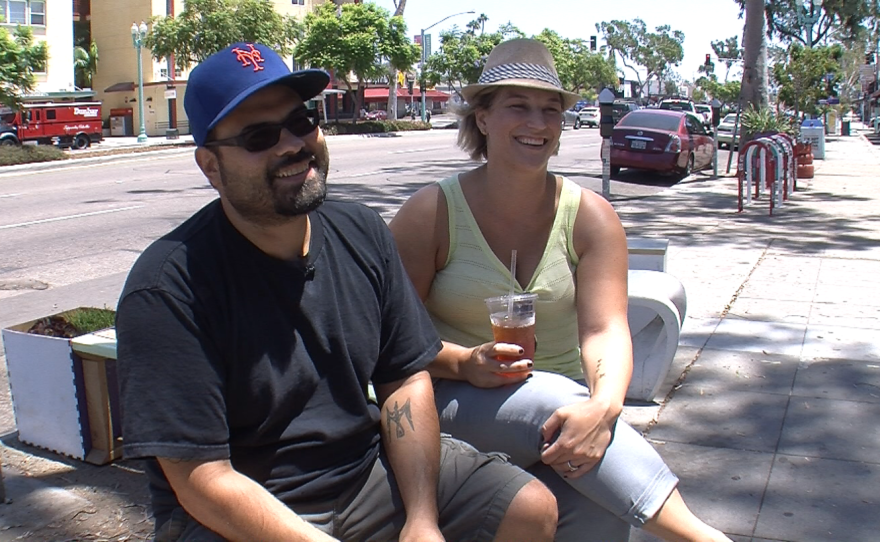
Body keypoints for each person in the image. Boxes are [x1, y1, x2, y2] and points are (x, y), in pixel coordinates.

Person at [115, 42, 558, 542]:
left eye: (302, 121)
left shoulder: (361, 231)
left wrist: (421, 518)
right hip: (237, 507)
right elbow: (202, 480)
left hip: (360, 473)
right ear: (211, 166)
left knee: (529, 509)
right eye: (260, 136)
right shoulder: (169, 288)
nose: (292, 145)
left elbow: (404, 384)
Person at [390, 38, 732, 542]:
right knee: (550, 402)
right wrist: (464, 361)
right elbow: (392, 341)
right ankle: (701, 536)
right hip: (451, 401)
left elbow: (605, 330)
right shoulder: (431, 213)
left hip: (563, 401)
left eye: (550, 110)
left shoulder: (589, 216)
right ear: (482, 118)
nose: (538, 123)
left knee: (598, 508)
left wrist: (604, 406)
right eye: (518, 107)